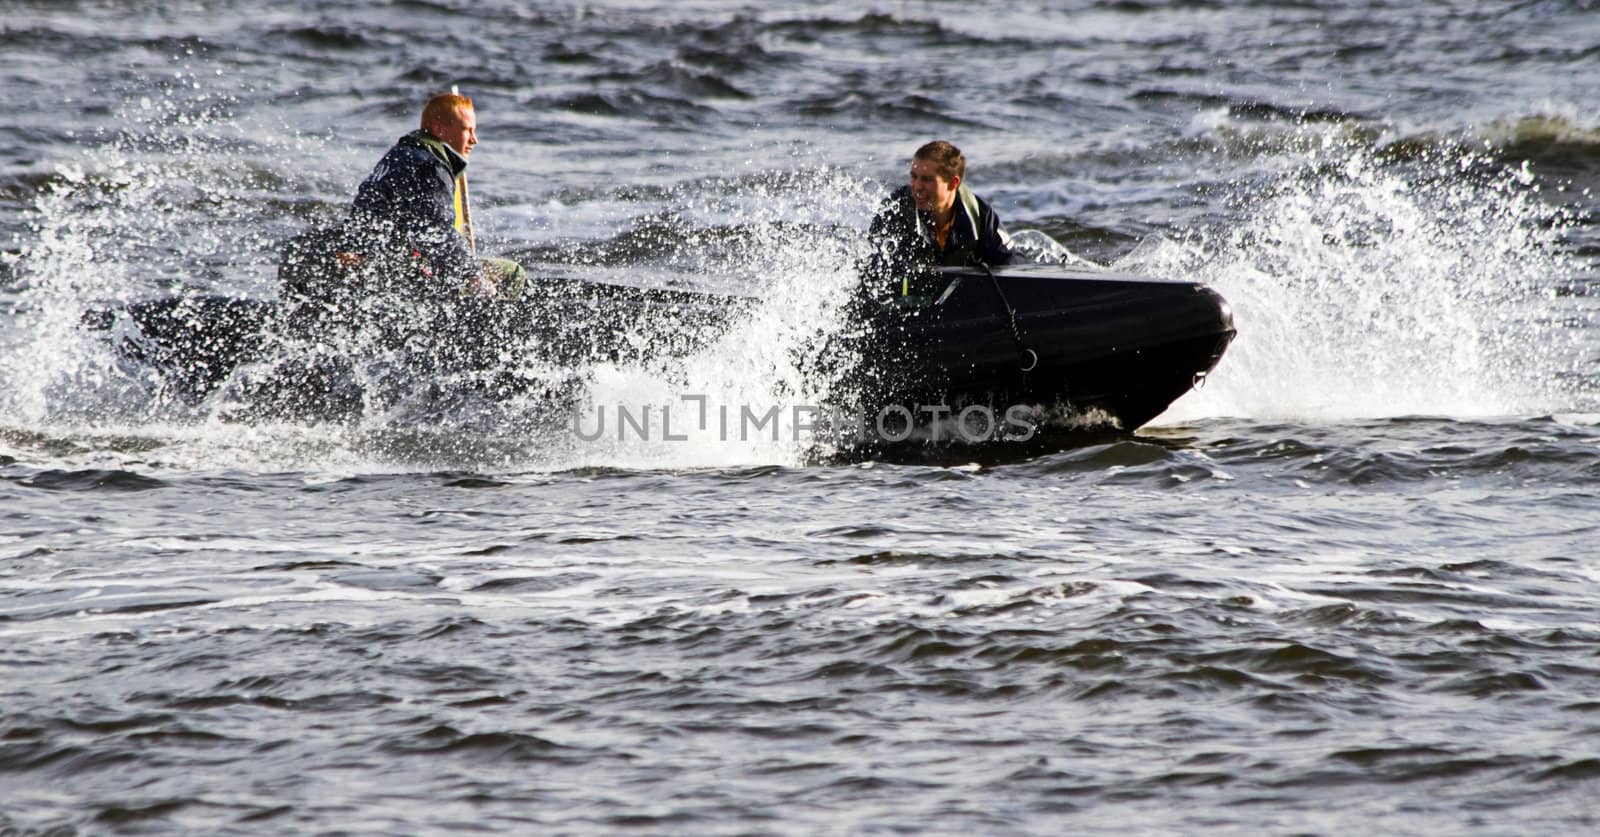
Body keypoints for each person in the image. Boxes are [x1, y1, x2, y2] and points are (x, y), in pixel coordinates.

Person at [345, 91, 523, 300]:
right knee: (512, 272)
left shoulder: (396, 156)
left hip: (369, 259)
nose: (474, 140)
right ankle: (483, 326)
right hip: (401, 269)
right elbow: (436, 233)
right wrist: (473, 275)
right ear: (439, 129)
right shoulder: (430, 165)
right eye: (467, 130)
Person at [863, 140, 1013, 298]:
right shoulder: (894, 212)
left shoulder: (980, 214)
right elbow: (873, 277)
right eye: (914, 177)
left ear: (953, 183)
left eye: (927, 180)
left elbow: (1011, 266)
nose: (917, 186)